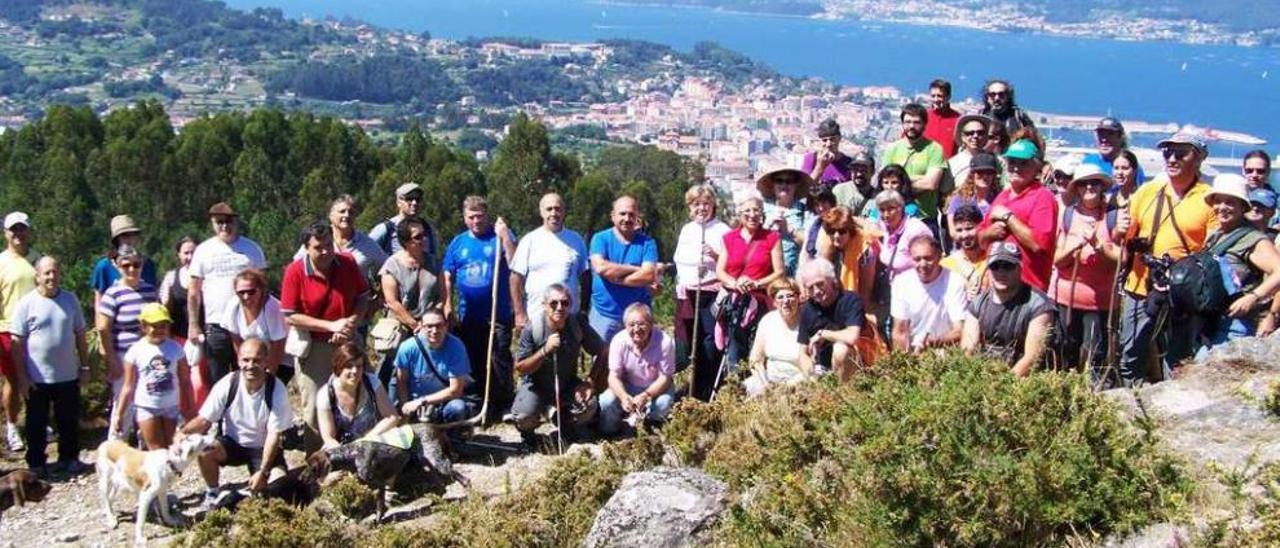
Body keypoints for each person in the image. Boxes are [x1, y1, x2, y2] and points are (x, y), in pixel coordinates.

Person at [1116, 133, 1218, 385]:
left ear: (1198, 159)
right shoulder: (1147, 192)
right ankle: (1134, 407)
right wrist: (1120, 231)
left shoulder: (1209, 200)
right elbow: (1127, 239)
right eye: (1167, 153)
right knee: (1128, 356)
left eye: (1180, 153)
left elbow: (1212, 252)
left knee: (1177, 361)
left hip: (1182, 295)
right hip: (1140, 286)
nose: (1172, 158)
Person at [281, 221, 370, 448]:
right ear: (306, 248)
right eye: (318, 247)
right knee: (314, 406)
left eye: (329, 245)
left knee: (363, 394)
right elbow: (290, 315)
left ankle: (365, 451)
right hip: (314, 346)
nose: (325, 251)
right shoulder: (295, 272)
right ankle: (317, 462)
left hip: (348, 341)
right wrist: (330, 326)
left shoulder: (348, 263)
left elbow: (362, 295)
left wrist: (352, 322)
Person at [183, 337, 292, 508]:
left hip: (263, 448)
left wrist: (263, 471)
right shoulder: (228, 383)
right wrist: (180, 435)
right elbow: (204, 420)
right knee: (205, 450)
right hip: (233, 444)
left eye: (256, 360)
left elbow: (274, 436)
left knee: (279, 489)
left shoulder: (277, 389)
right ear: (238, 360)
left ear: (266, 361)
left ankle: (256, 487)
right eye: (246, 360)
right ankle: (213, 492)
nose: (250, 365)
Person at [11, 257, 90, 475]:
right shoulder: (26, 304)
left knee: (69, 422)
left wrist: (85, 367)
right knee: (35, 424)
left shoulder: (70, 300)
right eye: (46, 273)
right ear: (37, 276)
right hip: (37, 378)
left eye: (55, 272)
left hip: (67, 375)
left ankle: (69, 459)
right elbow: (17, 344)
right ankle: (36, 464)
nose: (51, 277)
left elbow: (81, 335)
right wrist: (22, 378)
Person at [442, 197, 517, 409]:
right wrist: (448, 305)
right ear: (465, 218)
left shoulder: (500, 237)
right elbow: (447, 275)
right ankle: (478, 400)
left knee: (499, 356)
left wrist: (505, 236)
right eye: (471, 217)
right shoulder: (458, 243)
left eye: (480, 216)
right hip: (468, 314)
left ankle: (503, 402)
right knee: (473, 355)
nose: (476, 221)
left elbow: (515, 263)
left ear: (487, 216)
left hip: (498, 312)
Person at [1194, 174, 1280, 356]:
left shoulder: (1253, 239)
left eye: (1230, 202)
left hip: (1235, 327)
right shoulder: (1215, 236)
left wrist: (1253, 297)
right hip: (1212, 322)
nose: (1222, 207)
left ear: (1243, 207)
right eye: (1217, 201)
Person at [1052, 165, 1122, 386]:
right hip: (1066, 300)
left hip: (1099, 304)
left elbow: (1121, 260)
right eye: (1084, 183)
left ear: (1102, 187)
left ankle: (1094, 405)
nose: (1090, 187)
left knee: (1095, 359)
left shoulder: (1113, 217)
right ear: (1077, 188)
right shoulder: (1069, 215)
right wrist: (1074, 247)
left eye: (1095, 183)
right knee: (1065, 355)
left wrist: (1099, 247)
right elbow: (1057, 259)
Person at [511, 285, 606, 445]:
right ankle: (529, 435)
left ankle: (564, 421)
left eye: (565, 303)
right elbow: (520, 367)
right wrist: (544, 351)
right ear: (544, 305)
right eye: (554, 303)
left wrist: (589, 381)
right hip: (535, 385)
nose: (560, 308)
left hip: (567, 384)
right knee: (523, 416)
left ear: (571, 304)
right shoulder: (533, 328)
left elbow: (602, 351)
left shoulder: (577, 324)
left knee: (589, 406)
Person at [188, 202, 268, 383]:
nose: (225, 226)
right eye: (219, 222)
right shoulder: (203, 251)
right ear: (213, 223)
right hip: (216, 325)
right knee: (218, 381)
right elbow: (194, 292)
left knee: (249, 377)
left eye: (229, 221)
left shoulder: (252, 249)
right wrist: (193, 324)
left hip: (246, 324)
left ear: (236, 222)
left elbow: (263, 287)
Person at [714, 194, 784, 375]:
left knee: (759, 346)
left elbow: (779, 272)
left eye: (756, 210)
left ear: (762, 213)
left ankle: (759, 386)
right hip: (735, 302)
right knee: (734, 348)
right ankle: (734, 389)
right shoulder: (729, 238)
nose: (752, 215)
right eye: (747, 210)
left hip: (761, 301)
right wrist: (735, 283)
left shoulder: (772, 238)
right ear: (740, 213)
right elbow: (720, 271)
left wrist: (756, 283)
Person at [961, 242, 1055, 376]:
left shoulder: (1039, 306)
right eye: (995, 266)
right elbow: (967, 351)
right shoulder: (977, 304)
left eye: (1008, 266)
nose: (1001, 272)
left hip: (1024, 384)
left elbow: (1032, 359)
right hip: (984, 378)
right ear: (988, 270)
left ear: (1019, 269)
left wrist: (1002, 386)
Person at [978, 140, 1059, 292]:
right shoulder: (1002, 196)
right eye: (1012, 162)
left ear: (1037, 167)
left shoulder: (1043, 197)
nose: (1016, 168)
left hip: (1027, 289)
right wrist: (989, 233)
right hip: (995, 287)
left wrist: (1009, 218)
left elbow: (1038, 244)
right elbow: (980, 240)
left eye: (1023, 163)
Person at [96, 244, 158, 442]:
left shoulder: (150, 292)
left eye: (136, 265)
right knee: (123, 402)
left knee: (148, 403)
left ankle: (146, 446)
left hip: (149, 356)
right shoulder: (112, 294)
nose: (132, 269)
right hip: (123, 356)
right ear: (117, 266)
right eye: (126, 265)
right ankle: (116, 445)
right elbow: (103, 328)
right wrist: (111, 359)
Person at [111, 303, 193, 450]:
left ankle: (172, 473)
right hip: (146, 406)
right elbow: (128, 386)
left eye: (163, 326)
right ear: (144, 326)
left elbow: (185, 381)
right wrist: (119, 414)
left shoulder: (176, 349)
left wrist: (190, 408)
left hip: (171, 405)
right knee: (156, 450)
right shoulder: (136, 351)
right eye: (154, 325)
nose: (159, 330)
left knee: (171, 448)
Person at [671, 186, 729, 386]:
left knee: (709, 343)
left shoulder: (722, 230)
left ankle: (707, 387)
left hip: (710, 295)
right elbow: (679, 260)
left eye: (706, 203)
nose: (701, 208)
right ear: (690, 208)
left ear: (713, 206)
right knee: (685, 342)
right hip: (687, 294)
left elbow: (732, 264)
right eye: (696, 204)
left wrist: (715, 255)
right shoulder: (687, 229)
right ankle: (689, 385)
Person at [378, 216, 445, 387]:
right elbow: (392, 301)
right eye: (417, 237)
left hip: (429, 325)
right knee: (393, 371)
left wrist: (432, 320)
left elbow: (442, 295)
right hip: (400, 328)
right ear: (405, 241)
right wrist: (415, 325)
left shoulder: (434, 262)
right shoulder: (391, 266)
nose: (423, 240)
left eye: (424, 235)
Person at [511, 193, 590, 330]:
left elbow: (586, 277)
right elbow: (515, 278)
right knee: (537, 352)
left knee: (569, 351)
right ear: (541, 212)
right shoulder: (530, 240)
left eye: (558, 209)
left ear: (564, 211)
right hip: (536, 317)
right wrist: (519, 313)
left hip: (569, 317)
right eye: (549, 209)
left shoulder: (576, 240)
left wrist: (583, 310)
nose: (554, 213)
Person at [589, 195, 660, 342]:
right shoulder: (600, 239)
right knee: (602, 362)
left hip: (638, 319)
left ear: (637, 217)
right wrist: (634, 268)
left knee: (639, 363)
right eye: (622, 214)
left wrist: (615, 278)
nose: (627, 218)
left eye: (631, 214)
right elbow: (602, 268)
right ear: (613, 216)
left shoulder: (647, 243)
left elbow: (648, 275)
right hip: (604, 316)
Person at [599, 303, 676, 435]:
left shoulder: (665, 342)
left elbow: (666, 378)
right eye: (632, 325)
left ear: (651, 324)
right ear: (625, 326)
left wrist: (646, 395)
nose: (636, 329)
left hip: (655, 386)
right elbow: (613, 376)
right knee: (606, 401)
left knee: (663, 403)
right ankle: (611, 433)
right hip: (628, 385)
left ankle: (651, 427)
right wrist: (623, 396)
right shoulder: (619, 341)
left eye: (641, 324)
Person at [393, 308, 476, 424]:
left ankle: (452, 436)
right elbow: (401, 381)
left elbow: (455, 390)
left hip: (444, 401)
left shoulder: (456, 347)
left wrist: (423, 401)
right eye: (429, 326)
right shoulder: (407, 348)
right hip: (414, 403)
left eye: (439, 325)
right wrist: (405, 405)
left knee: (458, 408)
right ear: (421, 326)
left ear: (446, 326)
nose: (434, 330)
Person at [0, 212, 39, 452]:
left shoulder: (38, 259)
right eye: (13, 230)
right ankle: (13, 426)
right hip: (7, 330)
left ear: (28, 231)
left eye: (22, 229)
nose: (18, 234)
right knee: (14, 382)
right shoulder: (1, 261)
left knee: (37, 379)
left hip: (36, 330)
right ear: (5, 233)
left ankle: (36, 421)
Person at [796, 258, 871, 381]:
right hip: (823, 368)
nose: (816, 291)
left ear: (832, 281)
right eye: (810, 288)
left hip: (860, 365)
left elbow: (852, 337)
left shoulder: (850, 300)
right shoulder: (808, 309)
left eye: (820, 284)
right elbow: (802, 351)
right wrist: (809, 371)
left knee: (841, 349)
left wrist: (823, 334)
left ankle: (845, 394)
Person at [890, 235, 967, 351]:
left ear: (939, 256)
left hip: (946, 350)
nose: (923, 264)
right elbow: (899, 331)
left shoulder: (955, 282)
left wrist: (932, 343)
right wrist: (904, 361)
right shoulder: (901, 282)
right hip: (913, 352)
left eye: (928, 258)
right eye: (917, 259)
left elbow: (960, 330)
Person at [316, 342, 399, 449]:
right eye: (349, 366)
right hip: (339, 447)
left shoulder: (372, 382)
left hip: (372, 439)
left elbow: (392, 417)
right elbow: (328, 438)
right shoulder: (325, 395)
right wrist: (346, 452)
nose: (355, 371)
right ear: (338, 368)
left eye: (359, 366)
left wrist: (366, 440)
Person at [881, 103, 947, 233]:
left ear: (924, 124)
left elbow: (931, 184)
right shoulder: (892, 149)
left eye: (916, 122)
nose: (911, 126)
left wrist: (900, 184)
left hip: (925, 218)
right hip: (895, 219)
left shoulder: (934, 149)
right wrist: (918, 179)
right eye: (907, 122)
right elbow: (885, 183)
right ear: (902, 124)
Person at [295, 195, 388, 285]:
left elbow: (388, 266)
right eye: (342, 211)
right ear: (330, 215)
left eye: (351, 212)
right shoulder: (317, 239)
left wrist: (381, 292)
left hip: (355, 298)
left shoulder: (367, 244)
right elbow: (297, 265)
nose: (347, 215)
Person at [222, 269, 288, 382]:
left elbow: (278, 346)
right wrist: (244, 367)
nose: (246, 296)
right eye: (241, 292)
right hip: (252, 360)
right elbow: (237, 341)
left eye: (251, 292)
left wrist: (269, 376)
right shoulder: (233, 306)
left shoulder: (272, 308)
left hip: (279, 360)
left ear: (261, 290)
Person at [743, 278, 805, 397]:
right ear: (774, 302)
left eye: (790, 296)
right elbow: (755, 359)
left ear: (798, 298)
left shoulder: (808, 321)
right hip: (770, 379)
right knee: (742, 390)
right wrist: (765, 384)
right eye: (780, 297)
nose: (786, 301)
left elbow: (813, 364)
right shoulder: (768, 321)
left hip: (801, 379)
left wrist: (787, 387)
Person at [90, 215, 159, 309]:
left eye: (132, 234)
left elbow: (153, 295)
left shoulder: (147, 264)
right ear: (116, 239)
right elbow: (99, 300)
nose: (129, 239)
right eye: (124, 235)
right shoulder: (104, 266)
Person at [812, 207, 875, 305]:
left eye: (841, 231)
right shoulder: (827, 245)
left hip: (863, 300)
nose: (836, 236)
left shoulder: (864, 250)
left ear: (850, 231)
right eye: (832, 231)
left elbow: (866, 289)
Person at [758, 163, 811, 277]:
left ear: (796, 184)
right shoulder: (761, 209)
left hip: (796, 275)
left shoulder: (805, 210)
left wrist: (789, 230)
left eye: (789, 181)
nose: (784, 184)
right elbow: (751, 240)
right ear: (772, 184)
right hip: (766, 274)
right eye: (779, 180)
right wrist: (767, 226)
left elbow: (812, 244)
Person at [369, 183, 438, 267]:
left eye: (418, 199)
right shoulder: (386, 228)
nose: (414, 203)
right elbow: (366, 252)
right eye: (409, 199)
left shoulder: (428, 228)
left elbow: (434, 257)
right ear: (398, 202)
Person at [946, 152, 1001, 234]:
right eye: (980, 172)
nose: (985, 176)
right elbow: (953, 233)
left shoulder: (1000, 199)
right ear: (972, 175)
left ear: (994, 176)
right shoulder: (959, 199)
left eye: (989, 172)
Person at [940, 204, 989, 297]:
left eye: (969, 228)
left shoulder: (993, 260)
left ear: (981, 226)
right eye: (959, 230)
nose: (964, 235)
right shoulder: (946, 266)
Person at [1079, 117, 1146, 185]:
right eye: (1101, 134)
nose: (1104, 139)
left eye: (1109, 134)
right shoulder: (1088, 161)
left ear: (1120, 137)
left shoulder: (1130, 167)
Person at [802, 118, 854, 189]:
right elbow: (804, 188)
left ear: (839, 138)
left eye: (832, 139)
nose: (828, 144)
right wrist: (820, 166)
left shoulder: (848, 163)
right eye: (824, 140)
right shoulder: (811, 159)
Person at [948, 114, 996, 184]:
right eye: (970, 133)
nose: (975, 136)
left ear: (986, 136)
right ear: (963, 137)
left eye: (980, 133)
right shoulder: (952, 164)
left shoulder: (997, 161)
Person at [924, 78, 960, 158]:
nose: (936, 100)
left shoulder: (957, 120)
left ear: (948, 97)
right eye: (933, 96)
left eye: (940, 96)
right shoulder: (923, 117)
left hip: (948, 166)